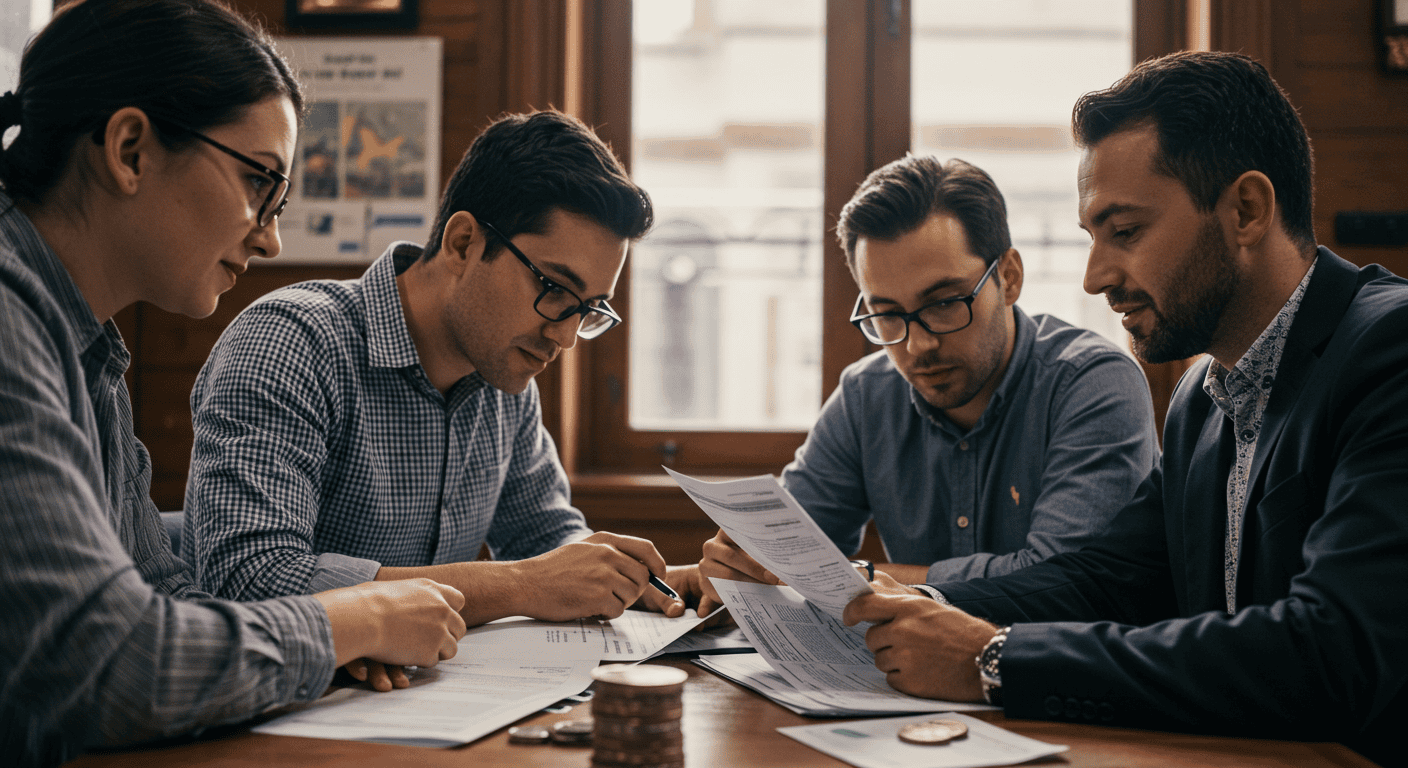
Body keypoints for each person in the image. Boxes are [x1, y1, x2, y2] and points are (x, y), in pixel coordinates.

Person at [841, 51, 1408, 766]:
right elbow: (1103, 578)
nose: (1095, 276)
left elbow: (1332, 650)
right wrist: (906, 606)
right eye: (1092, 237)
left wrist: (995, 657)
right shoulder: (1201, 401)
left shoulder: (1390, 349)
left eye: (1126, 232)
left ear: (1246, 210)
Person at [0, 1, 467, 765]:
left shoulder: (89, 349)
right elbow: (110, 666)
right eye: (259, 183)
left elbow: (160, 596)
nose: (272, 235)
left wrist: (319, 650)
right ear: (129, 150)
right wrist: (347, 622)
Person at [184, 109, 688, 667]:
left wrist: (647, 581)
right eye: (554, 288)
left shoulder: (507, 377)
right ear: (464, 242)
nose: (566, 335)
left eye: (589, 310)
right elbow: (249, 580)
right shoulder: (292, 344)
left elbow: (546, 540)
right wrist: (519, 585)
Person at [697, 155, 1158, 612]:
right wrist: (745, 565)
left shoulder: (1093, 384)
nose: (917, 346)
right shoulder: (866, 395)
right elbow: (788, 554)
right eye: (887, 314)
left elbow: (1062, 581)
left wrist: (865, 579)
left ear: (1009, 278)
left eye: (943, 304)